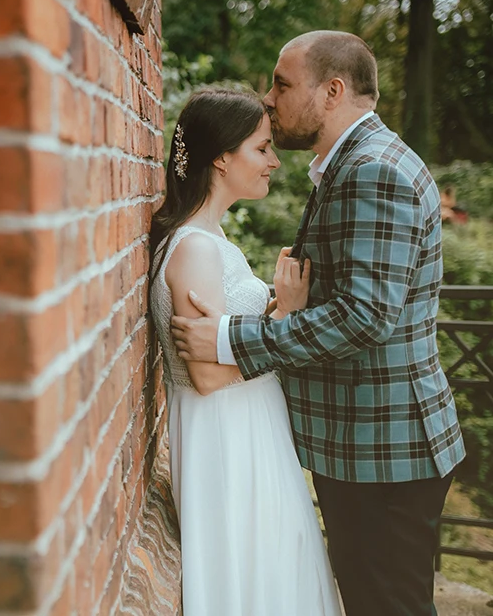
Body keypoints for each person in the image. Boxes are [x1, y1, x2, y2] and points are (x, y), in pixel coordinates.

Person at [170, 31, 465, 616]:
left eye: (282, 84)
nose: (269, 98)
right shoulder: (350, 164)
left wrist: (232, 337)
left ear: (332, 92)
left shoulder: (373, 170)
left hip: (385, 448)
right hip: (368, 445)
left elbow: (365, 316)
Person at [149, 87, 342, 616]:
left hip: (251, 430)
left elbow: (226, 345)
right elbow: (208, 377)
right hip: (227, 443)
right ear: (221, 156)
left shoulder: (214, 237)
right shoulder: (194, 248)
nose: (274, 161)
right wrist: (281, 319)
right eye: (261, 148)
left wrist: (277, 312)